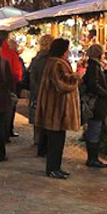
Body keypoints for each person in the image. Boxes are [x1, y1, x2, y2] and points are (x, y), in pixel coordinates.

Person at [36, 38, 81, 180]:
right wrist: (76, 78)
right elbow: (61, 85)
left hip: (56, 108)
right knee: (55, 141)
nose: (68, 52)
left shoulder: (54, 62)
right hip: (56, 109)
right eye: (67, 49)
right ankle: (52, 169)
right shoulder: (57, 64)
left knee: (58, 140)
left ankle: (56, 167)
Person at [83, 44, 107, 169]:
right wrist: (105, 93)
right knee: (95, 129)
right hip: (97, 104)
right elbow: (93, 85)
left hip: (97, 103)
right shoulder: (94, 67)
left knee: (94, 129)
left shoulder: (94, 66)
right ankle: (92, 158)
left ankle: (93, 157)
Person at [26, 35, 53, 157]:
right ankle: (44, 143)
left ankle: (37, 139)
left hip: (35, 91)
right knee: (46, 117)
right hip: (46, 92)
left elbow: (31, 76)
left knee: (37, 116)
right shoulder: (51, 60)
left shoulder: (36, 59)